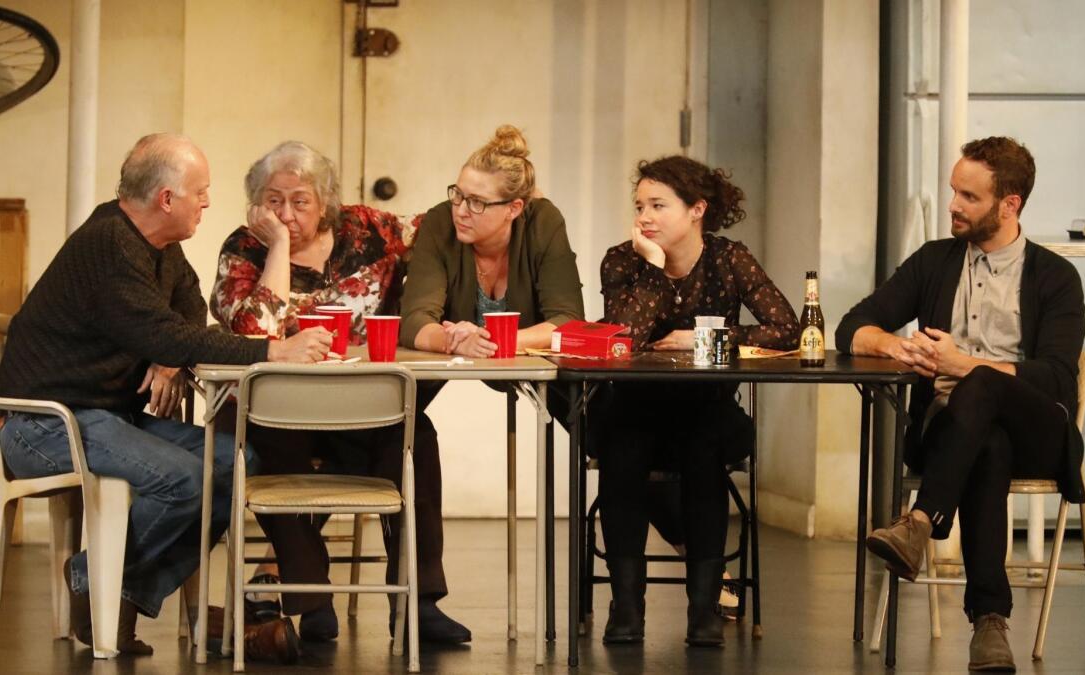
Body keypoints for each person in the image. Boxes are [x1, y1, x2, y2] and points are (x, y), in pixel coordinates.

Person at [0, 134, 332, 659]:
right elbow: (162, 328)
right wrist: (273, 351)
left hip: (106, 416)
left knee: (233, 461)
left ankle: (108, 586)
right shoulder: (109, 245)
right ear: (166, 199)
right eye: (201, 192)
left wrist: (168, 354)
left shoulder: (158, 246)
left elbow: (185, 307)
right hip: (44, 424)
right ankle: (98, 586)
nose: (208, 202)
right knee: (184, 478)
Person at [837, 136, 1085, 672]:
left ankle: (920, 521)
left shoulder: (1055, 277)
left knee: (982, 385)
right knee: (986, 444)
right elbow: (851, 327)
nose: (952, 205)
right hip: (952, 436)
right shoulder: (934, 261)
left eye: (968, 197)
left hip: (1037, 432)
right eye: (953, 191)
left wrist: (963, 365)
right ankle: (990, 626)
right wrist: (896, 345)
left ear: (1010, 204)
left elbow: (1059, 380)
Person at [210, 141, 472, 647]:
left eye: (300, 201)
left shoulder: (368, 229)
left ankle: (419, 603)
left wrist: (510, 203)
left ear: (326, 201)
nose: (285, 213)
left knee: (415, 437)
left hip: (359, 405)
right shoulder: (244, 249)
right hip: (275, 409)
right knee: (266, 453)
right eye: (273, 200)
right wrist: (280, 249)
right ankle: (311, 599)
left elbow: (442, 223)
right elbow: (253, 327)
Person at [593, 155, 799, 648]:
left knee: (704, 447)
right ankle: (626, 608)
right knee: (621, 450)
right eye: (640, 205)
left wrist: (703, 339)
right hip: (635, 406)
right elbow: (624, 338)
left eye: (659, 205)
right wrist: (654, 269)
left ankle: (703, 610)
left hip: (707, 406)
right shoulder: (623, 260)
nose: (645, 216)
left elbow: (786, 327)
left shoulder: (729, 258)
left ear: (697, 210)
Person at [400, 124, 584, 357]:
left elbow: (567, 321)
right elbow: (414, 320)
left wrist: (490, 340)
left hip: (530, 375)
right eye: (458, 195)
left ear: (513, 208)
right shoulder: (440, 222)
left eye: (477, 202)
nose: (461, 211)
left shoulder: (543, 222)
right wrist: (455, 342)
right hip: (453, 377)